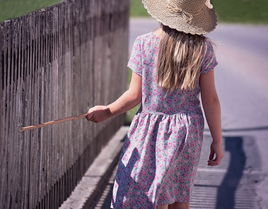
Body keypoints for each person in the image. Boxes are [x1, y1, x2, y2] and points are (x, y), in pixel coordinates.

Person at [85, 0, 224, 208]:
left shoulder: (144, 43)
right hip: (187, 132)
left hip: (149, 130)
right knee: (178, 195)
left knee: (151, 195)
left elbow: (134, 95)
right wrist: (217, 140)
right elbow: (210, 99)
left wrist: (107, 111)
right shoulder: (202, 48)